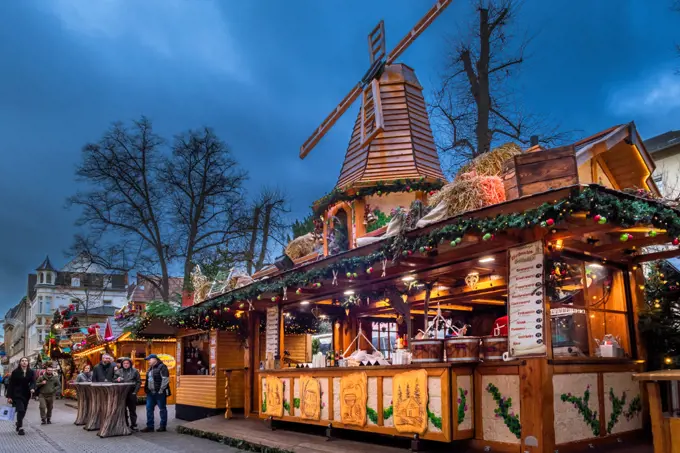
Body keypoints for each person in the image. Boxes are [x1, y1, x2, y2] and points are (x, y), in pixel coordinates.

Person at [140, 354, 170, 433]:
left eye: (149, 359)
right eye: (148, 360)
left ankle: (163, 426)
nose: (148, 361)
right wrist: (147, 390)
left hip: (159, 393)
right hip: (150, 393)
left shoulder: (162, 367)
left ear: (155, 359)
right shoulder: (150, 368)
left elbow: (165, 379)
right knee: (149, 409)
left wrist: (161, 390)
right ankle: (150, 427)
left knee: (162, 409)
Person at [7, 357, 36, 435]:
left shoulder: (31, 372)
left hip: (26, 394)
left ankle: (18, 423)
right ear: (20, 363)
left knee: (24, 410)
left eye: (26, 361)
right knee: (21, 410)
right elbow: (11, 384)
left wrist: (32, 388)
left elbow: (33, 382)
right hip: (16, 394)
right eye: (22, 361)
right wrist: (9, 396)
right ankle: (20, 427)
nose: (24, 362)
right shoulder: (15, 372)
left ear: (28, 363)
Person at [114, 357, 141, 431]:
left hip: (131, 392)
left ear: (130, 364)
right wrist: (117, 380)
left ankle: (134, 424)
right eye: (124, 363)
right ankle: (125, 424)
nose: (126, 364)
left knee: (132, 409)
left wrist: (135, 392)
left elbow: (138, 382)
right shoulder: (118, 371)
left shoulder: (135, 371)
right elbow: (113, 380)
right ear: (122, 364)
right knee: (123, 409)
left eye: (127, 363)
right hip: (122, 393)